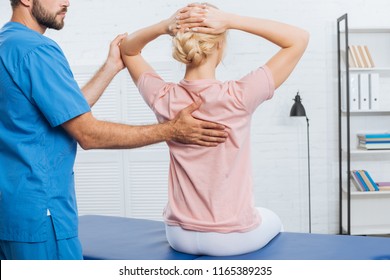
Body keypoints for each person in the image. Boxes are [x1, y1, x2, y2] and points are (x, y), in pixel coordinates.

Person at [0, 0, 228, 260]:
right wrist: (172, 130)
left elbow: (64, 113)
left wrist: (110, 67)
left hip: (11, 211)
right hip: (41, 214)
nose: (67, 2)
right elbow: (88, 133)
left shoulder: (7, 44)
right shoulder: (37, 50)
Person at [120, 3, 309, 256]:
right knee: (273, 219)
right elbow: (299, 39)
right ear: (219, 45)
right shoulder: (239, 95)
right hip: (229, 238)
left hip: (178, 234)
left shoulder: (164, 97)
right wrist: (231, 20)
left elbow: (128, 51)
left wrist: (164, 26)